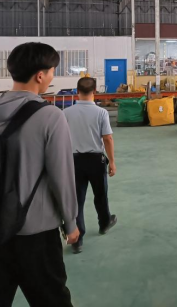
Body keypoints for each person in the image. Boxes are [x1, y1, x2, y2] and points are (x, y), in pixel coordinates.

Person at [0, 43, 78, 306]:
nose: (52, 76)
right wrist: (71, 222)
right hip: (36, 232)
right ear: (40, 75)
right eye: (52, 71)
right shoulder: (51, 116)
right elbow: (62, 176)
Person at [64, 77, 118, 254]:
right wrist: (112, 162)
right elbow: (107, 138)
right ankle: (104, 223)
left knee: (77, 200)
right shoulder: (101, 113)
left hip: (74, 161)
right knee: (100, 194)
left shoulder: (66, 113)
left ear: (77, 91)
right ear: (95, 91)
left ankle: (77, 240)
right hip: (96, 160)